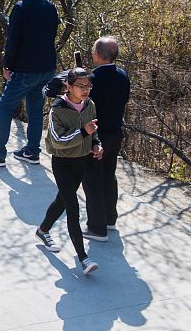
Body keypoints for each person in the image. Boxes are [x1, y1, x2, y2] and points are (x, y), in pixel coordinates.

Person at [0, 0, 60, 167]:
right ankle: (32, 151)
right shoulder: (50, 7)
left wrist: (8, 65)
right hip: (46, 67)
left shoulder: (21, 8)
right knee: (35, 108)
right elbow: (52, 34)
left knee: (5, 107)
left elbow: (12, 40)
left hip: (25, 69)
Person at [35, 68, 103, 276]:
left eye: (88, 86)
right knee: (72, 207)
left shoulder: (90, 104)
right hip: (63, 163)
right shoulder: (58, 109)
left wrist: (96, 144)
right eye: (80, 86)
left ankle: (42, 230)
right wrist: (84, 132)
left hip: (81, 161)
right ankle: (84, 258)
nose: (85, 90)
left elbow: (93, 130)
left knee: (62, 201)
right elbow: (58, 140)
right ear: (68, 86)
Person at [87, 36, 130, 236]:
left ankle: (97, 227)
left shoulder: (93, 79)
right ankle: (110, 219)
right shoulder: (123, 76)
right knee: (109, 176)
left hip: (97, 135)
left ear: (97, 55)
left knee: (93, 179)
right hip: (115, 134)